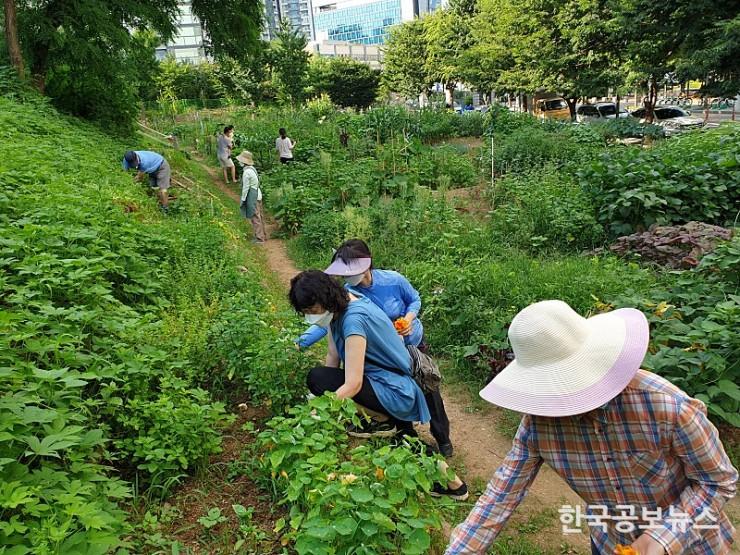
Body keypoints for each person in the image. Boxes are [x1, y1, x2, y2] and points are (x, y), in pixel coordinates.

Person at [445, 300, 738, 555]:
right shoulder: (537, 427)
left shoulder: (666, 407)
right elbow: (501, 495)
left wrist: (662, 537)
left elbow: (718, 481)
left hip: (694, 544)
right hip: (612, 542)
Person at [289, 270, 468, 500]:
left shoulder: (353, 319)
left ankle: (381, 420)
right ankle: (456, 486)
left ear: (325, 300)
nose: (312, 318)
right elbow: (333, 357)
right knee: (405, 438)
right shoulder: (343, 303)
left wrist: (323, 407)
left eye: (312, 311)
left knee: (318, 378)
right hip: (386, 381)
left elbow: (352, 384)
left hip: (396, 389)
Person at [298, 239, 454, 457]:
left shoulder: (392, 281)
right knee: (397, 395)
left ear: (367, 265)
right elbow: (328, 330)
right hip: (379, 353)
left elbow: (414, 299)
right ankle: (406, 435)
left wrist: (407, 320)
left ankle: (442, 438)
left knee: (428, 388)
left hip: (409, 344)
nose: (347, 277)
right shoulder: (347, 294)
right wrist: (301, 341)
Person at [236, 150, 266, 244]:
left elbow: (246, 188)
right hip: (258, 194)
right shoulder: (252, 169)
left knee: (255, 217)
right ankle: (263, 234)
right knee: (260, 216)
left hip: (252, 196)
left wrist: (243, 199)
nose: (239, 162)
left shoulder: (246, 172)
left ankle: (259, 238)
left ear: (244, 162)